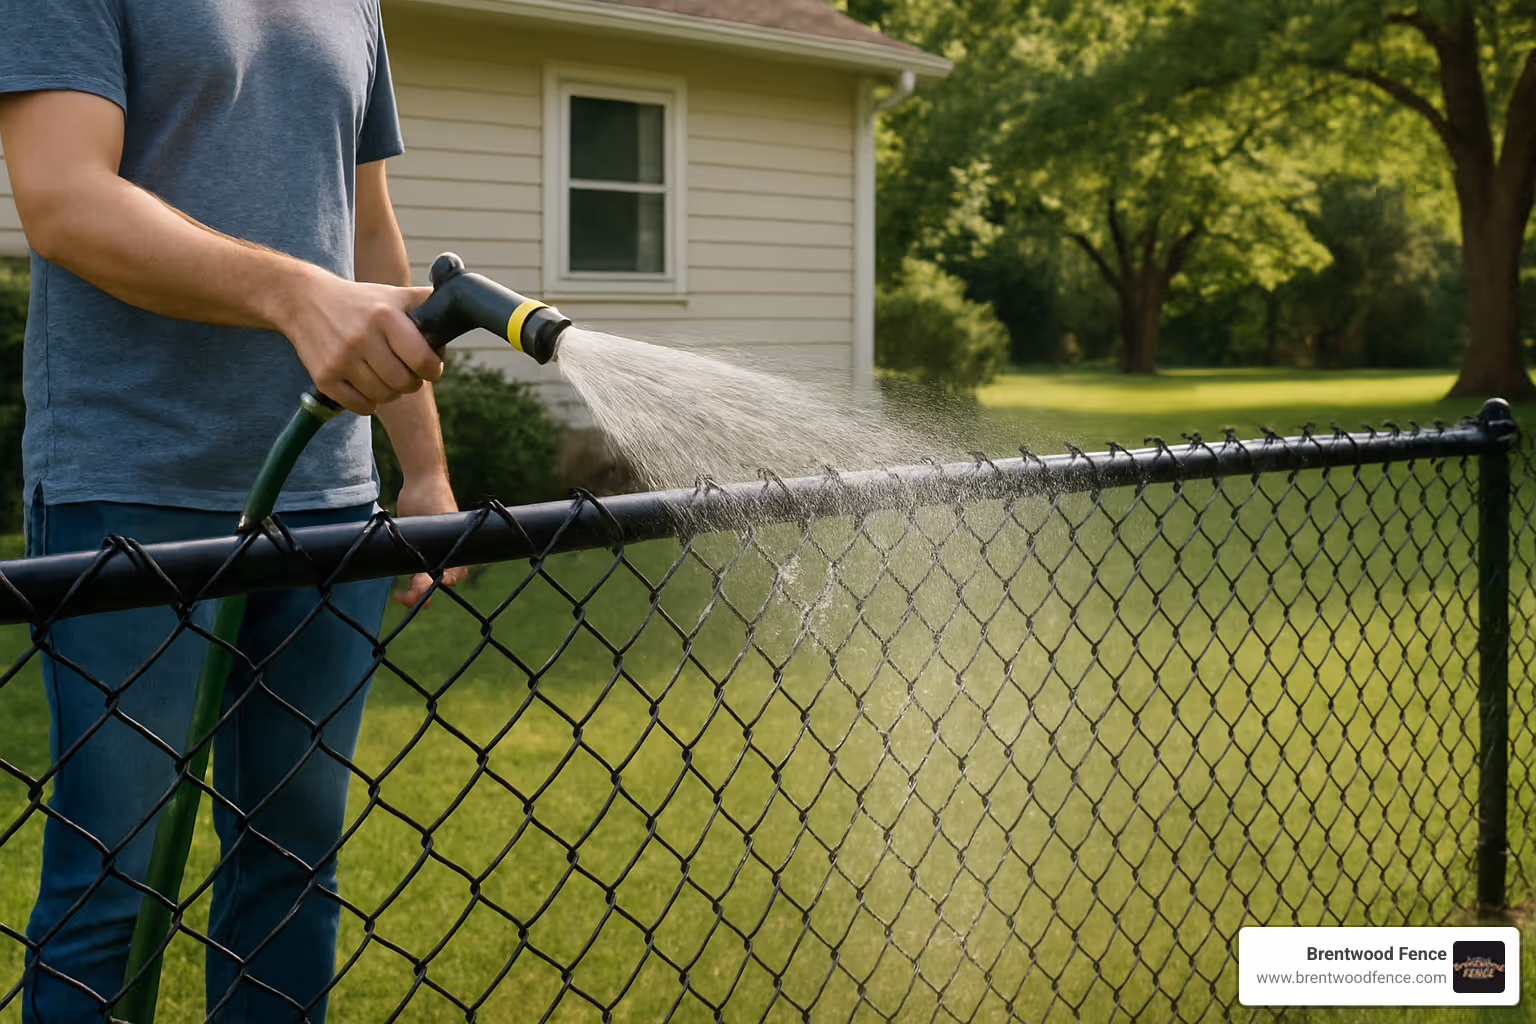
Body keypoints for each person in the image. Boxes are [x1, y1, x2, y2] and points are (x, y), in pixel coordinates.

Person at [0, 2, 465, 1020]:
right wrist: (295, 295)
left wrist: (422, 469)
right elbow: (61, 196)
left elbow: (369, 228)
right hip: (130, 485)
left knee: (293, 866)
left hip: (332, 501)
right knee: (115, 879)